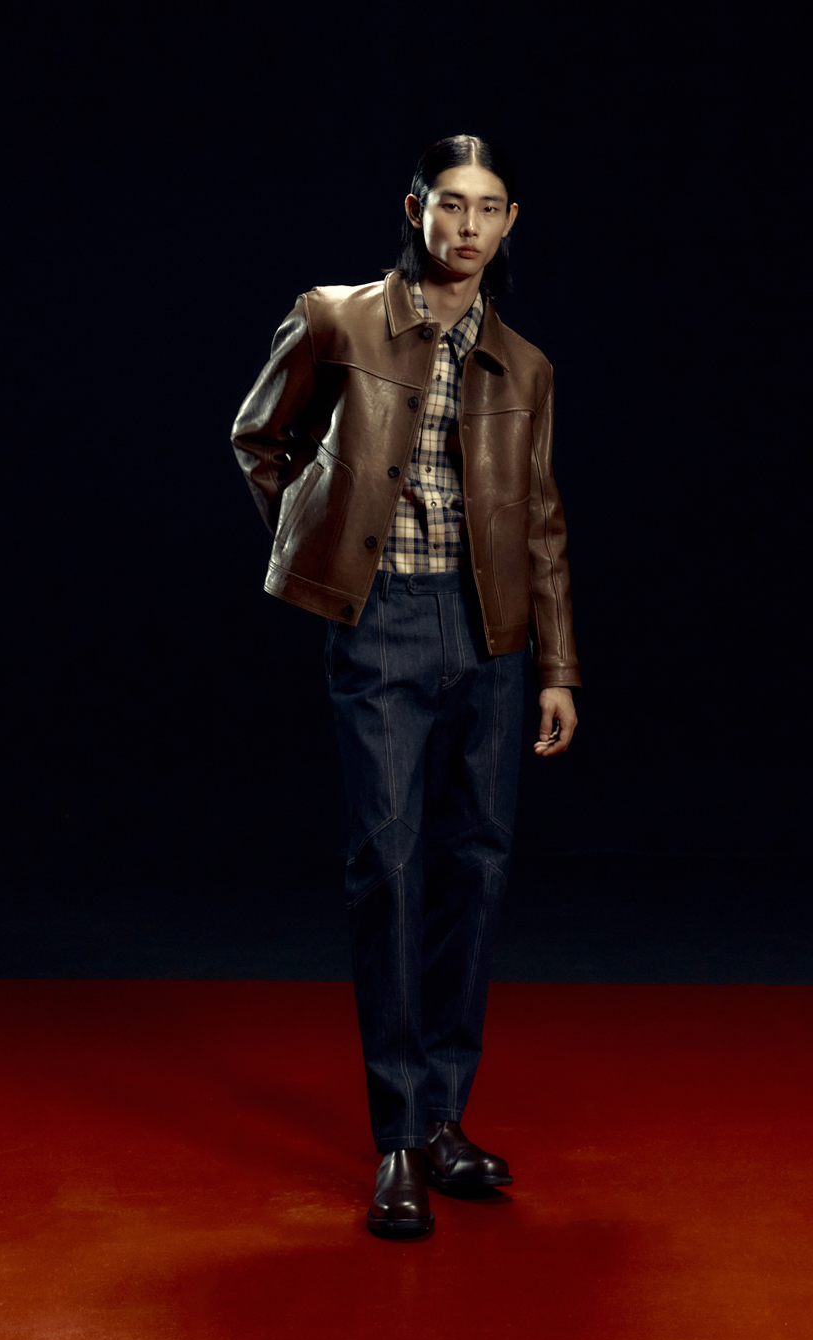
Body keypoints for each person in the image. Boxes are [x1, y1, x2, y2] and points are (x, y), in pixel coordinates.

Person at [231, 134, 581, 1238]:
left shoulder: (525, 365)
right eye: (450, 204)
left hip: (494, 638)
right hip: (381, 623)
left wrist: (557, 667)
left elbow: (542, 521)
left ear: (510, 222)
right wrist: (327, 554)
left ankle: (442, 1120)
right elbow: (259, 438)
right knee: (386, 867)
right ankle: (395, 1137)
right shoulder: (334, 318)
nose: (467, 227)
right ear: (417, 208)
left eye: (488, 208)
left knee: (476, 870)